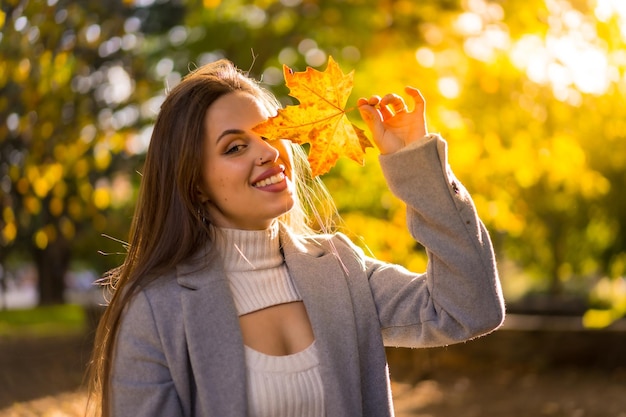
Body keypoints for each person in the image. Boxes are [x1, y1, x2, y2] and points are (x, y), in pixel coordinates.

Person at [87, 58, 505, 417]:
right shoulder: (155, 310)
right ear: (194, 183)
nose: (267, 152)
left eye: (271, 134)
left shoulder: (341, 268)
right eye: (234, 148)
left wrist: (417, 166)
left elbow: (469, 309)